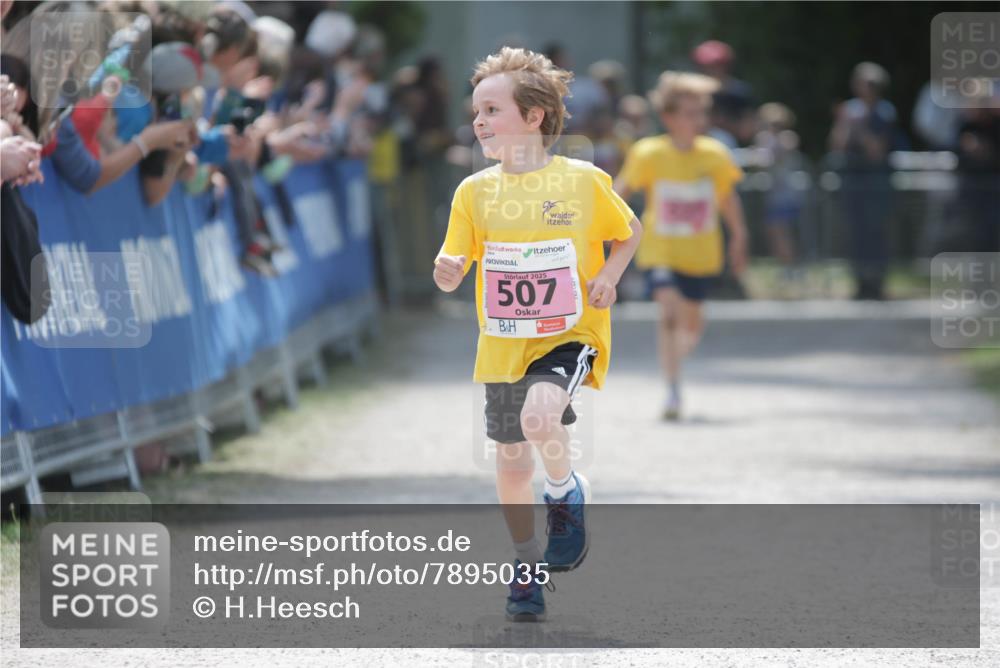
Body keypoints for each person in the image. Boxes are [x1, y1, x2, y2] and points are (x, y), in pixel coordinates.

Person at [433, 46, 641, 622]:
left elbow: (629, 231)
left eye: (493, 109)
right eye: (476, 111)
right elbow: (453, 263)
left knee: (539, 417)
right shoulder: (473, 192)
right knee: (509, 461)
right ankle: (526, 564)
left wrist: (608, 275)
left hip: (568, 333)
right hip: (502, 344)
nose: (479, 121)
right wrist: (446, 270)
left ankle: (564, 493)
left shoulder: (582, 181)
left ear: (535, 117)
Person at [615, 72, 748, 420]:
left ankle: (679, 353)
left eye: (700, 113)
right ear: (669, 117)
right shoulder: (648, 152)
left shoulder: (716, 154)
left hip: (702, 254)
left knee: (690, 324)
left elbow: (728, 199)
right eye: (689, 113)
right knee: (669, 313)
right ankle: (673, 391)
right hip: (661, 250)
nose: (697, 121)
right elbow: (620, 192)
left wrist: (740, 236)